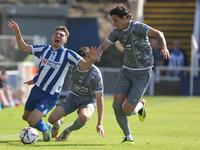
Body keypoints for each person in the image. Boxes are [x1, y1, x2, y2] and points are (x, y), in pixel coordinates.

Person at [92, 4, 170, 145]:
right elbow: (103, 46)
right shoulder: (117, 32)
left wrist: (163, 46)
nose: (113, 23)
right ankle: (128, 137)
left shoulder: (137, 27)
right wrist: (98, 54)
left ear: (124, 18)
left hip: (142, 73)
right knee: (116, 106)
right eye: (112, 20)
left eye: (115, 20)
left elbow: (159, 34)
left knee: (127, 111)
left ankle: (140, 106)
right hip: (126, 72)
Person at [8, 20, 96, 142]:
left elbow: (85, 66)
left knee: (32, 121)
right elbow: (23, 48)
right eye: (56, 34)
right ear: (52, 36)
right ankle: (52, 125)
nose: (58, 36)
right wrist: (17, 33)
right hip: (37, 90)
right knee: (26, 117)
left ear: (65, 40)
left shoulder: (68, 54)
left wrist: (90, 59)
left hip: (50, 95)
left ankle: (46, 129)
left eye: (61, 35)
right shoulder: (44, 49)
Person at [48, 46, 106, 141]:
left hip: (88, 100)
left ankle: (68, 130)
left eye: (85, 61)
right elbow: (56, 72)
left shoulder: (95, 74)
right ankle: (58, 124)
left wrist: (100, 123)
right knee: (51, 119)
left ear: (91, 59)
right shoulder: (72, 67)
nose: (82, 63)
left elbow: (100, 99)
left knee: (83, 117)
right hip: (72, 97)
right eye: (80, 61)